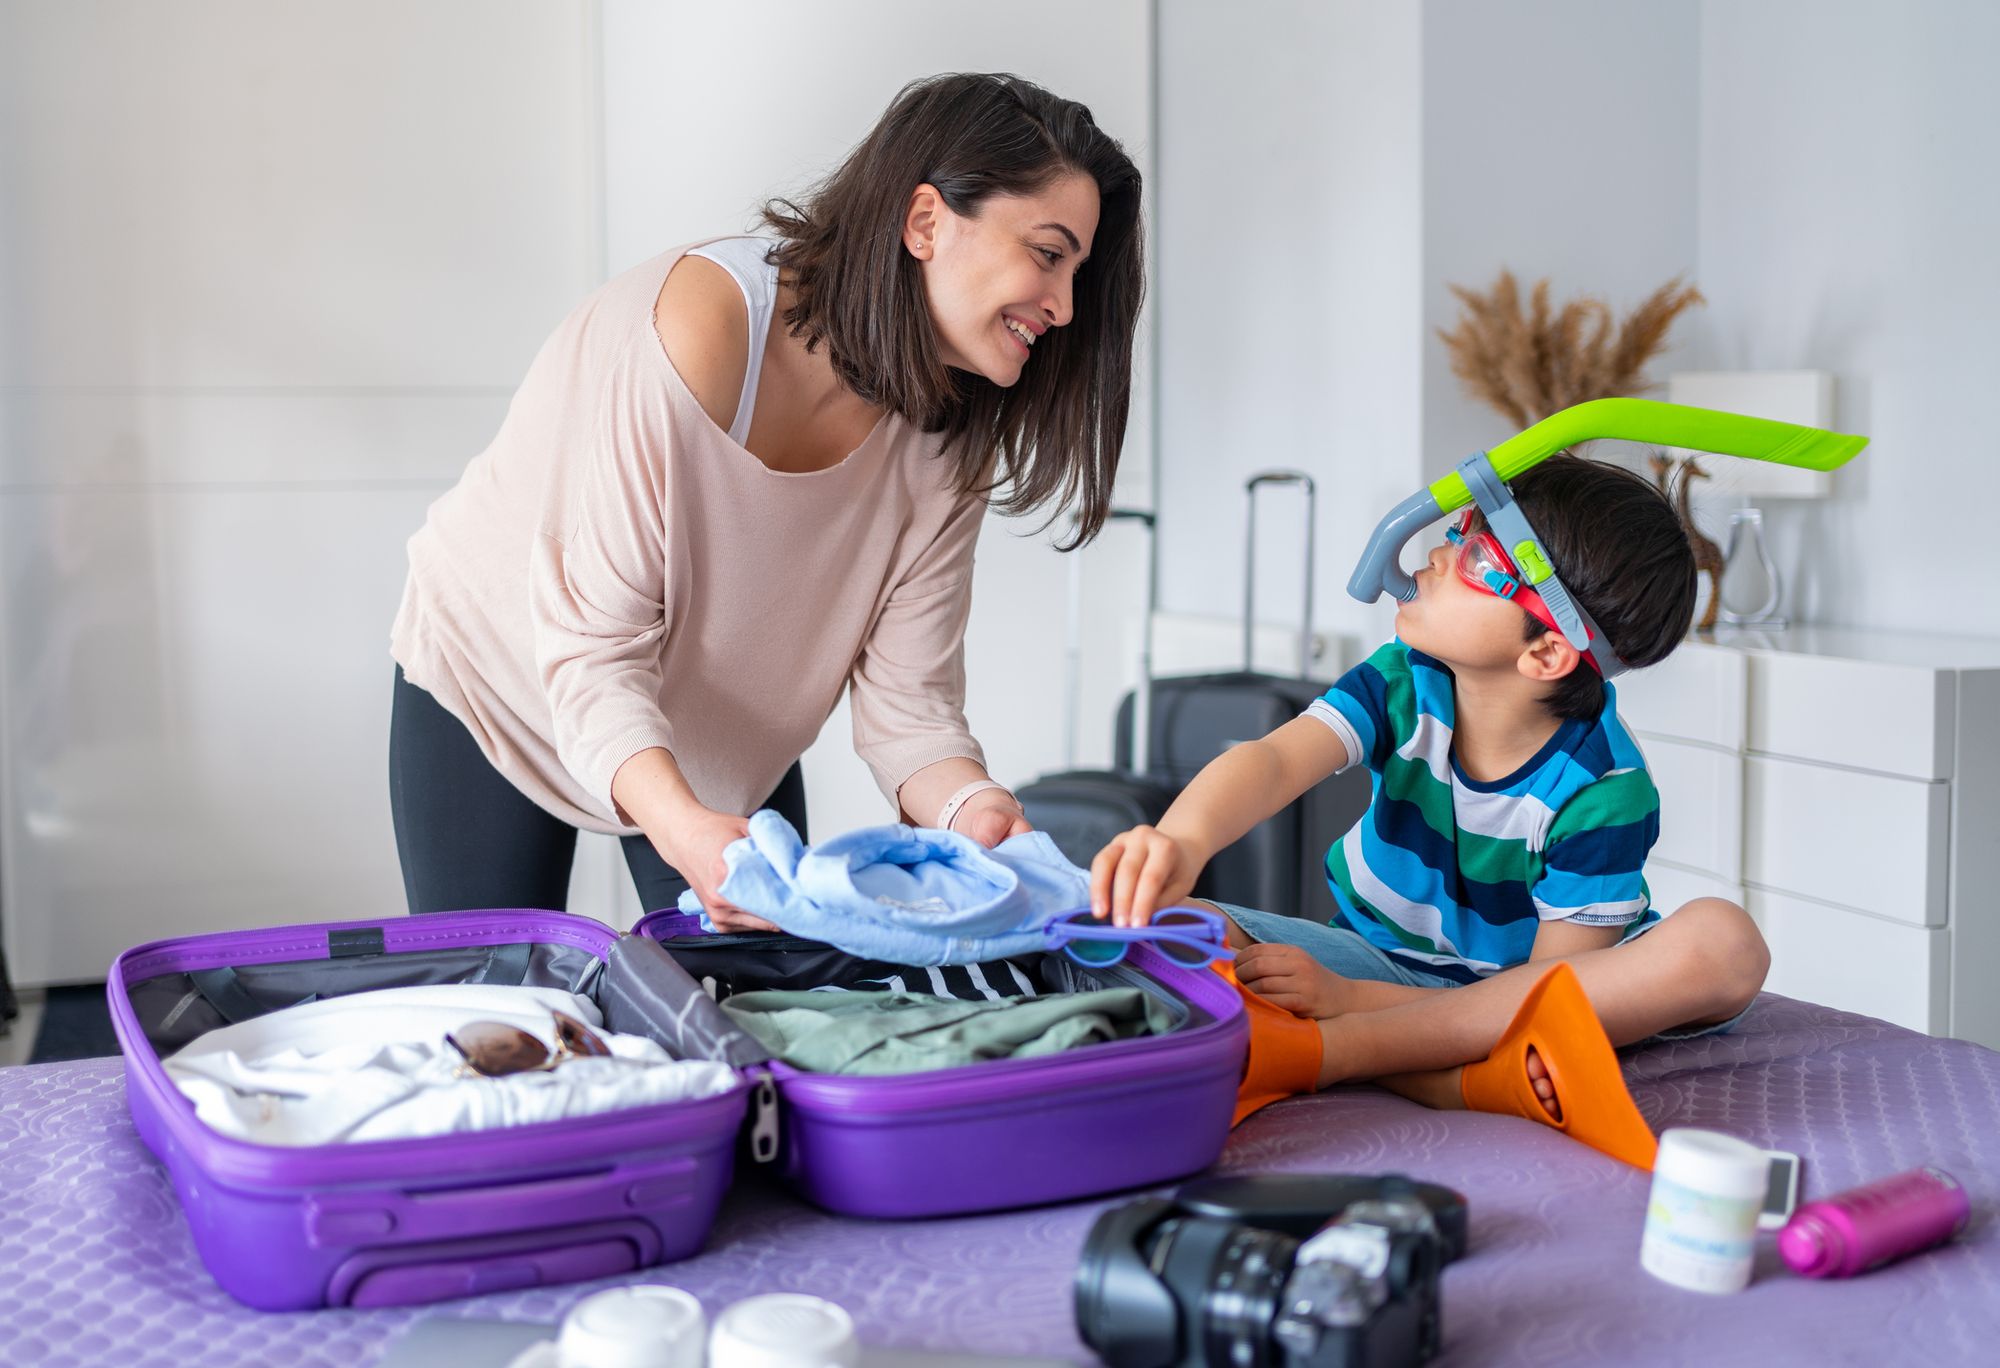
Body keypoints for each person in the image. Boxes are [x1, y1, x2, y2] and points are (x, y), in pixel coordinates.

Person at [390, 73, 1144, 928]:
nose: (1065, 306)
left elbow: (911, 711)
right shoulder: (701, 332)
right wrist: (683, 830)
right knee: (500, 1007)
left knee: (756, 1021)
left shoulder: (952, 428)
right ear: (926, 222)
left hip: (726, 730)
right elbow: (593, 655)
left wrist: (978, 813)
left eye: (1078, 271)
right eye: (1048, 255)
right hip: (508, 676)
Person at [1088, 455, 1771, 1116]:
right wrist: (1182, 837)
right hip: (1370, 960)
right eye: (1460, 530)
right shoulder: (1403, 679)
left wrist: (1352, 1008)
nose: (1437, 556)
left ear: (1547, 652)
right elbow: (1272, 761)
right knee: (1164, 927)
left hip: (1511, 994)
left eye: (1478, 561)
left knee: (1726, 942)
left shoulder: (1602, 793)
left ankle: (1349, 1052)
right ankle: (1448, 1077)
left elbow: (1544, 994)